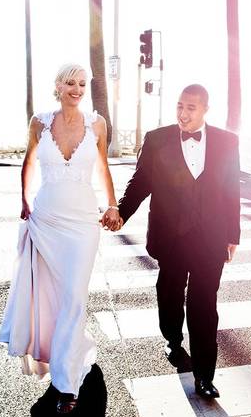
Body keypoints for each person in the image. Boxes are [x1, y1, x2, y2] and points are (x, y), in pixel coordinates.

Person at [102, 84, 241, 398]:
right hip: (172, 236)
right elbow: (141, 182)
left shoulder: (227, 142)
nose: (183, 113)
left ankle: (205, 376)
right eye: (179, 106)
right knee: (169, 290)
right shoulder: (157, 139)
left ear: (205, 109)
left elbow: (232, 189)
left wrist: (233, 234)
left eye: (190, 108)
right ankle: (173, 338)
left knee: (204, 305)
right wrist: (121, 212)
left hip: (210, 238)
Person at [0, 63, 120, 414]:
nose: (77, 89)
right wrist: (22, 197)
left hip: (83, 222)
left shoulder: (97, 124)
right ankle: (70, 352)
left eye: (82, 83)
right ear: (58, 86)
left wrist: (112, 204)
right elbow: (29, 161)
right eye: (70, 82)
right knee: (55, 295)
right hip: (47, 218)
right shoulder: (40, 122)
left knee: (74, 294)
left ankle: (66, 386)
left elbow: (102, 167)